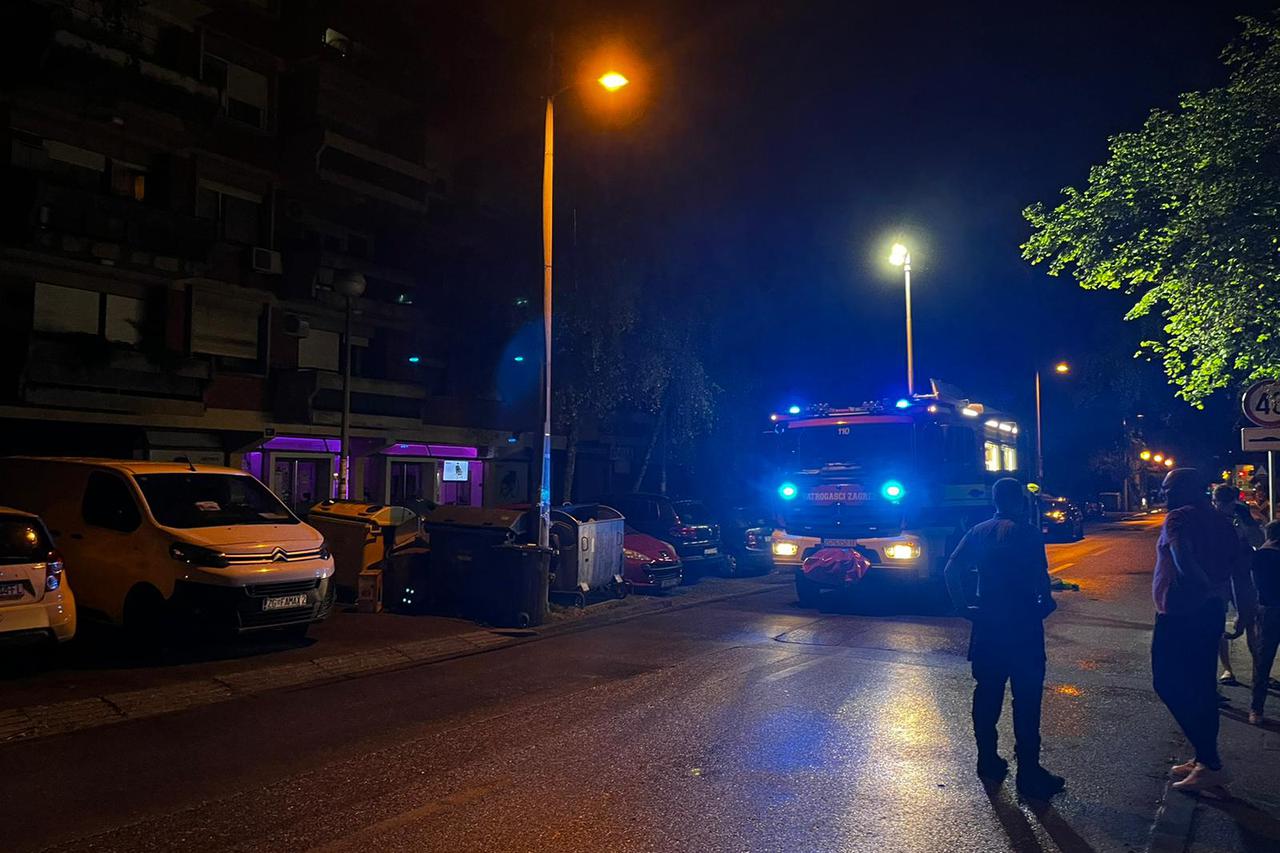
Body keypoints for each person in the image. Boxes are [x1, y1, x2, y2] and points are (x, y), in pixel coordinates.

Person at [944, 477, 1064, 799]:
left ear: (995, 501)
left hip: (987, 624)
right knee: (1027, 699)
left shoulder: (978, 532)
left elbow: (951, 570)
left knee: (987, 692)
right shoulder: (1028, 533)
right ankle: (1029, 773)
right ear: (1019, 500)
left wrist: (963, 607)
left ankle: (988, 760)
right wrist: (1047, 602)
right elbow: (1040, 576)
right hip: (1023, 625)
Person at [1152, 469, 1254, 799]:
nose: (1164, 495)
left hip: (1180, 613)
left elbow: (1182, 558)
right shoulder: (1224, 523)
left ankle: (1210, 761)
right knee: (1202, 687)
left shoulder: (1178, 518)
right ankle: (1203, 759)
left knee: (1166, 682)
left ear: (1187, 490)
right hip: (1211, 613)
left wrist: (1203, 587)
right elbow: (1241, 573)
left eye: (1169, 489)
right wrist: (1244, 612)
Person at [1211, 484, 1262, 687]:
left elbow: (1258, 540)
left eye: (1228, 502)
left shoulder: (1241, 516)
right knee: (1219, 622)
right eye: (1221, 503)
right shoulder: (1211, 520)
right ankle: (1228, 669)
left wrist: (1246, 521)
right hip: (1221, 576)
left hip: (1242, 574)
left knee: (1250, 620)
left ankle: (1259, 669)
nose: (1224, 506)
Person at [1250, 520, 1280, 725]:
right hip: (1270, 609)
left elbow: (1256, 585)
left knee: (1263, 661)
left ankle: (1256, 708)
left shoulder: (1261, 555)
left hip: (1268, 611)